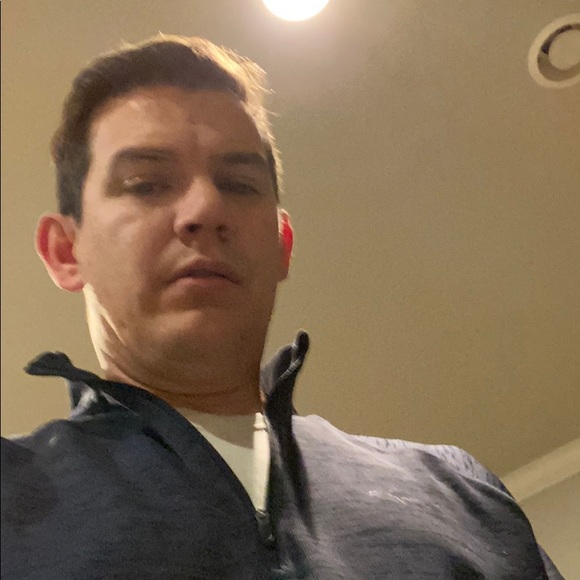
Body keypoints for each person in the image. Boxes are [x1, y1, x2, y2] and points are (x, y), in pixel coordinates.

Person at [1, 34, 563, 580]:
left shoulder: (461, 492)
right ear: (65, 251)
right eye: (146, 184)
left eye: (240, 184)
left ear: (282, 245)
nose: (205, 208)